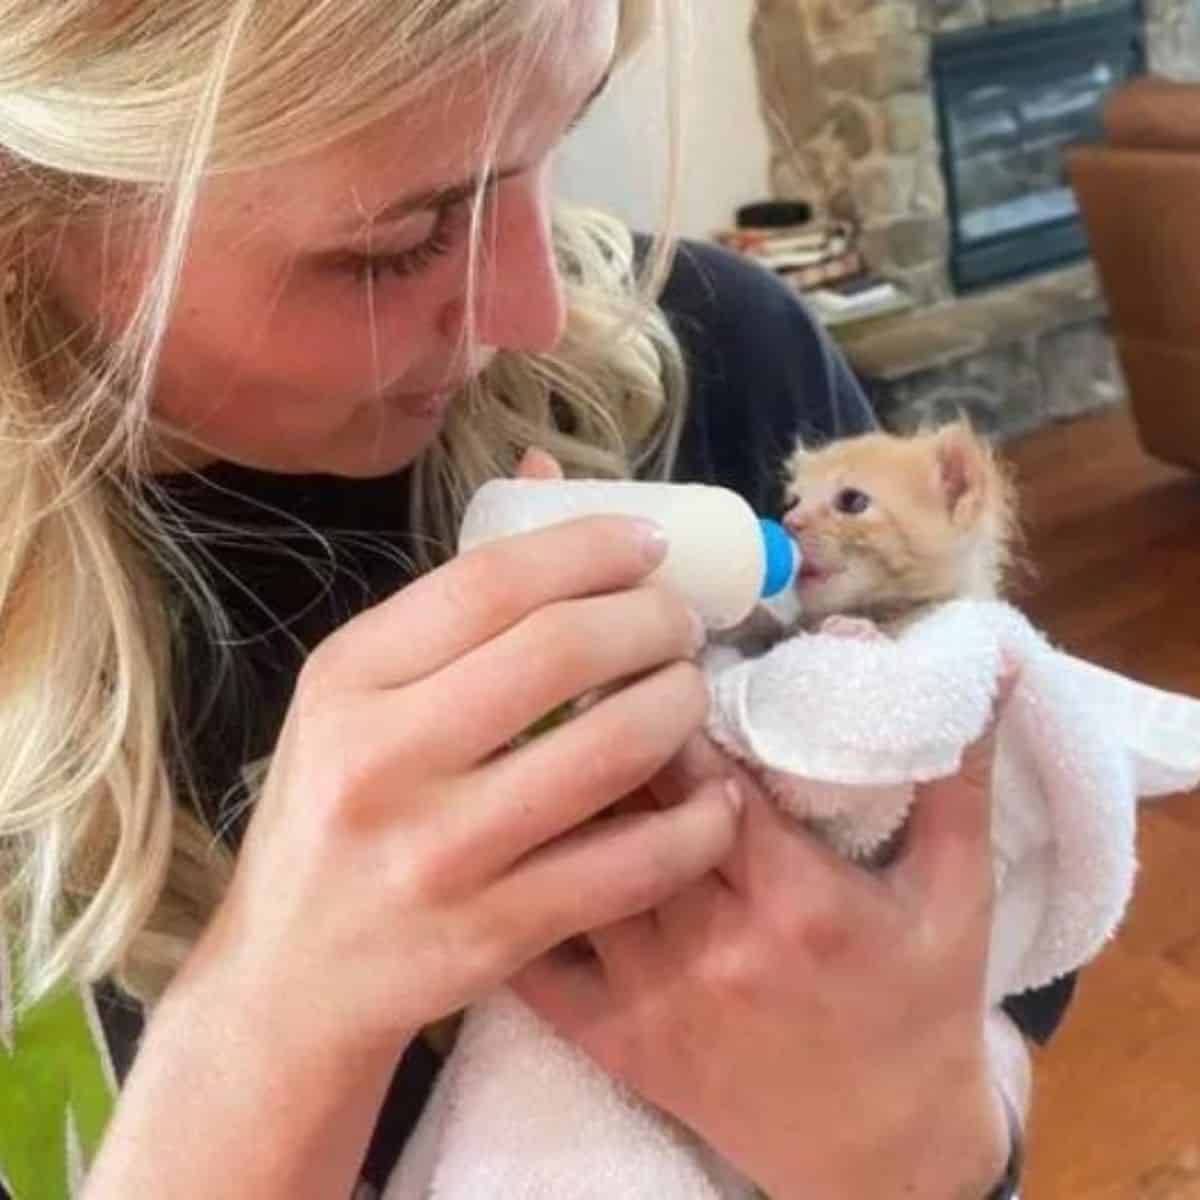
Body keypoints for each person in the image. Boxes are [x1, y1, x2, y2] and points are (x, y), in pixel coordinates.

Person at [0, 2, 1074, 1197]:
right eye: (393, 242)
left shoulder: (720, 367)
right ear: (23, 204)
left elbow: (998, 979)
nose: (534, 312)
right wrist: (270, 1032)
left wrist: (922, 1147)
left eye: (561, 131)